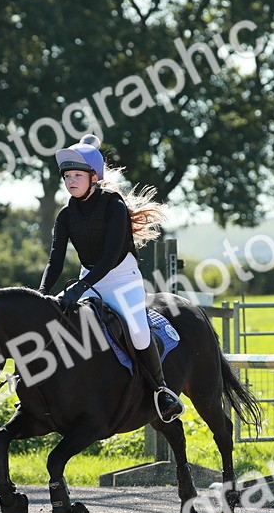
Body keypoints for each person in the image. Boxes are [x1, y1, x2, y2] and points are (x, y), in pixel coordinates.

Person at [38, 133, 184, 423]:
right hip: (89, 278)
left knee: (138, 332)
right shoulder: (65, 215)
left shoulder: (114, 206)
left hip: (122, 278)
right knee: (63, 325)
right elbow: (55, 261)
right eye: (67, 176)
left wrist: (80, 287)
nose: (70, 181)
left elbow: (108, 258)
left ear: (94, 178)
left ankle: (162, 391)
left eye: (77, 175)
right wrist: (41, 294)